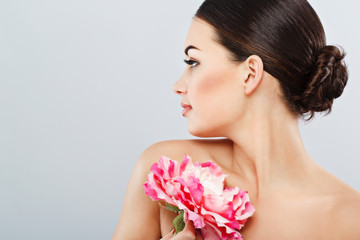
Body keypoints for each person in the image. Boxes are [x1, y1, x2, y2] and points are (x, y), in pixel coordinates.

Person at [112, 0, 360, 239]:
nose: (178, 86)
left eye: (193, 62)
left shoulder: (350, 219)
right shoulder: (168, 172)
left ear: (250, 74)